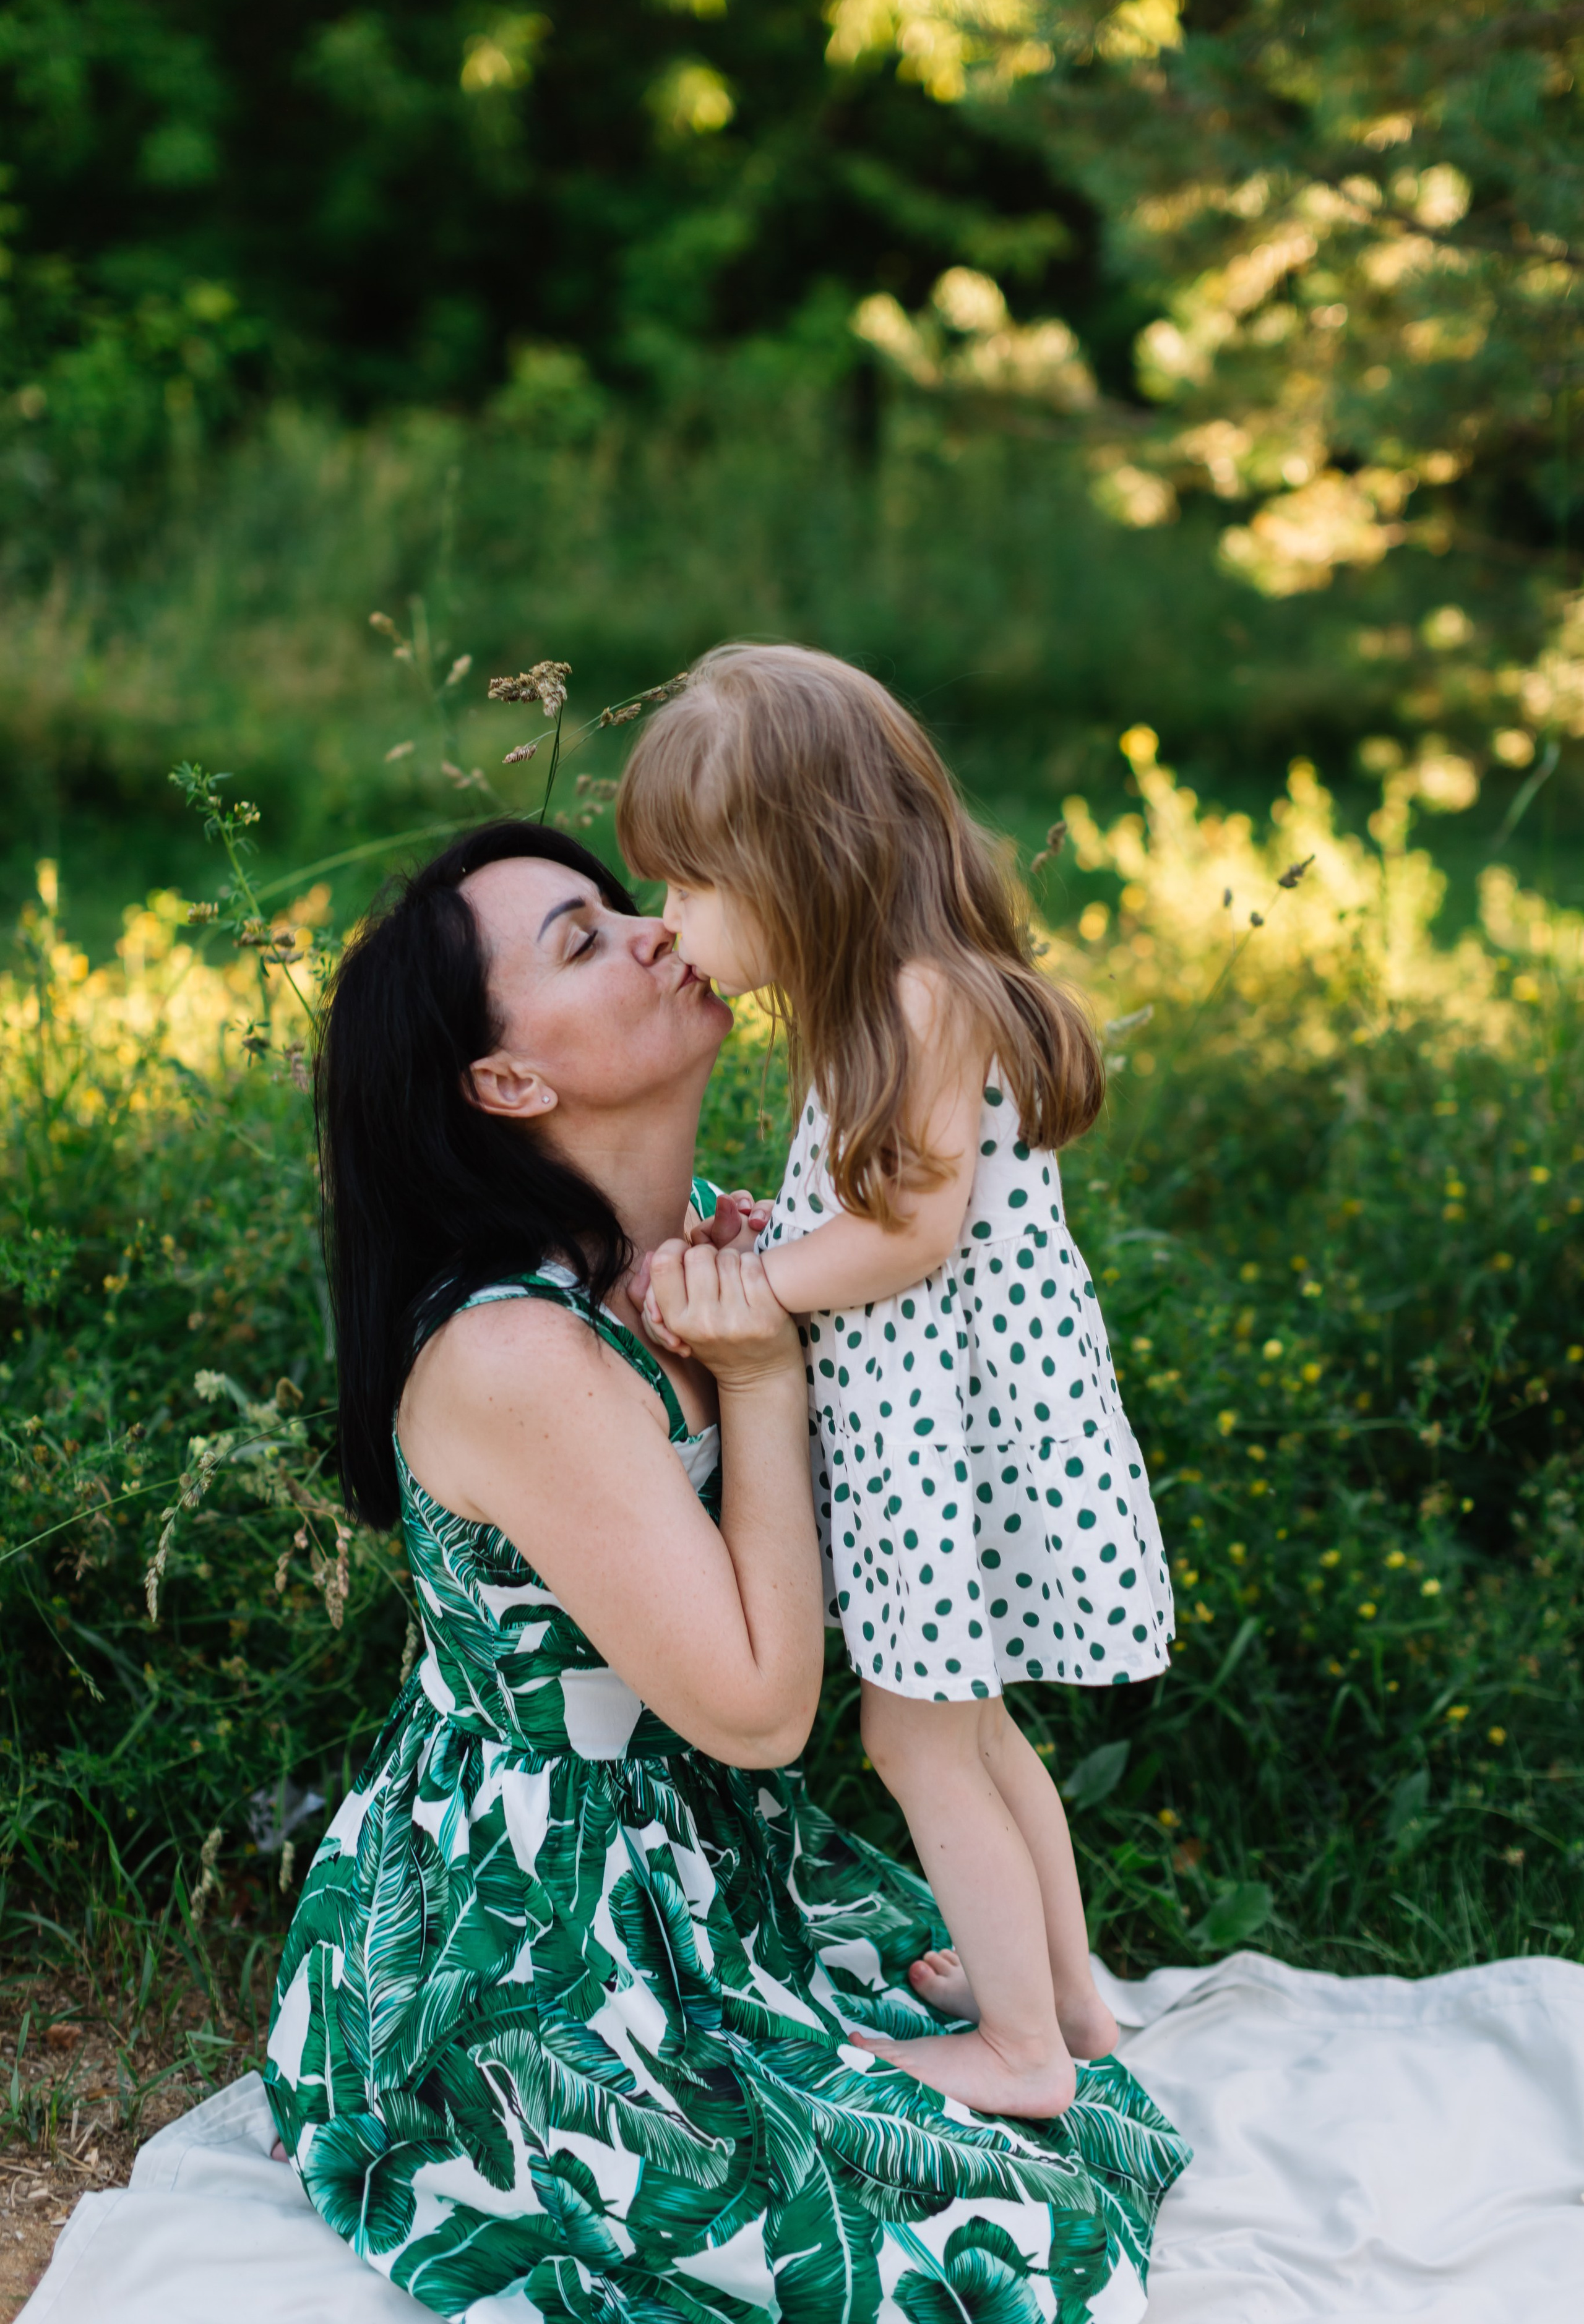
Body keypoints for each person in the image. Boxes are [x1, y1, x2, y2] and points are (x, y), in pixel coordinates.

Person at [264, 817, 1188, 2322]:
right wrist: (761, 1375)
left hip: (702, 1842)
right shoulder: (515, 1357)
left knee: (1031, 2125)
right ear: (508, 1083)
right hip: (529, 1917)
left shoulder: (707, 1241)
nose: (654, 930)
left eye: (626, 902)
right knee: (951, 2237)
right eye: (581, 941)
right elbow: (760, 1715)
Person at [618, 646, 1176, 2122]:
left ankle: (1019, 2052)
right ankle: (1065, 1999)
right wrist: (775, 1241)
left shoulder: (923, 1000)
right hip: (933, 1424)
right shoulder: (881, 997)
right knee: (970, 1725)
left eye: (688, 884)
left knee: (912, 1733)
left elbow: (910, 1236)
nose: (666, 922)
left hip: (944, 1436)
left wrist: (756, 1291)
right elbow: (875, 1209)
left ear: (798, 866)